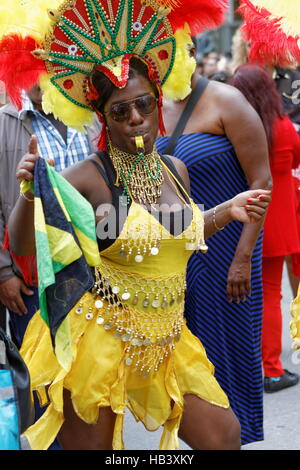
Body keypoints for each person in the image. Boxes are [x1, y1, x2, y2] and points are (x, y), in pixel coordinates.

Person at [0, 0, 271, 450]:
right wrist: (32, 192)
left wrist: (228, 211)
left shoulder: (173, 169)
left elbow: (179, 231)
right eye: (120, 111)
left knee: (223, 437)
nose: (136, 119)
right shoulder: (91, 175)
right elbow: (23, 241)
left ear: (157, 100)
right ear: (104, 118)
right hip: (99, 341)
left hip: (167, 337)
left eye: (143, 104)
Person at [156, 43, 272, 444]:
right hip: (179, 258)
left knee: (232, 352)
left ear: (190, 48)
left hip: (230, 255)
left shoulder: (227, 100)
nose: (167, 58)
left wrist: (242, 259)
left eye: (176, 49)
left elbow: (262, 183)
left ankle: (235, 437)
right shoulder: (151, 109)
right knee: (192, 359)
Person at [0, 84, 100, 449]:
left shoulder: (88, 119)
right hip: (32, 280)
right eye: (30, 70)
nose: (39, 80)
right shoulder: (7, 122)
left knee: (87, 379)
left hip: (90, 277)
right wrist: (4, 273)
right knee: (42, 380)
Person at [231, 64, 300, 393]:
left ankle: (253, 366)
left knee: (248, 297)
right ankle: (271, 369)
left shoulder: (235, 126)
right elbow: (296, 160)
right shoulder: (284, 126)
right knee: (270, 296)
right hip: (279, 221)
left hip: (244, 218)